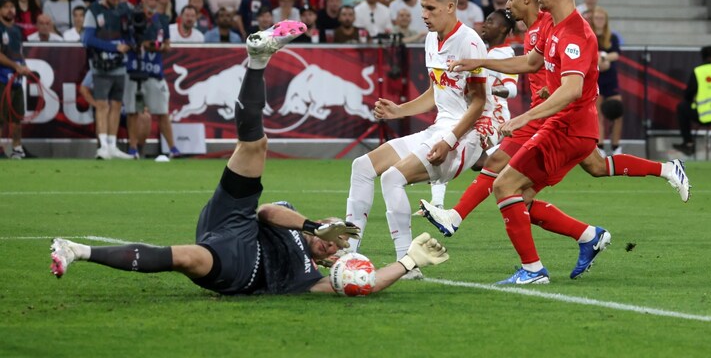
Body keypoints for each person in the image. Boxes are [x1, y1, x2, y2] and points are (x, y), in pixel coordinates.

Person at [50, 20, 451, 294]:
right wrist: (315, 226)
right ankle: (258, 60)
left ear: (333, 262)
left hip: (239, 266)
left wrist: (408, 262)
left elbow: (363, 286)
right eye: (336, 234)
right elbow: (265, 214)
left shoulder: (307, 278)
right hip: (234, 219)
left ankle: (77, 250)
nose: (333, 245)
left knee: (187, 257)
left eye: (338, 248)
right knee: (254, 145)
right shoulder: (295, 218)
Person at [421, 0, 692, 282]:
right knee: (585, 171)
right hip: (554, 116)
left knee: (503, 177)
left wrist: (534, 110)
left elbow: (573, 83)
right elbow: (536, 65)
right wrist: (482, 63)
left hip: (556, 119)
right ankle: (593, 230)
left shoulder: (560, 28)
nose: (511, 3)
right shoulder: (541, 32)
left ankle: (466, 224)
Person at [344, 0, 487, 280]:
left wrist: (449, 140)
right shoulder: (430, 39)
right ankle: (349, 253)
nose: (424, 13)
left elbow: (478, 103)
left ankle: (406, 264)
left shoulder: (469, 41)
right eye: (422, 7)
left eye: (430, 8)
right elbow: (436, 92)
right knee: (362, 167)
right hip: (439, 129)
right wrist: (398, 110)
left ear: (450, 7)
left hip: (464, 137)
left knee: (393, 177)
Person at [428, 8, 518, 208]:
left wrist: (486, 90)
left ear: (503, 28)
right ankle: (436, 204)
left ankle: (515, 155)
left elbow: (511, 89)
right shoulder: (484, 51)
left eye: (491, 21)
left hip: (493, 117)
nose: (485, 24)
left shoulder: (505, 54)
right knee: (444, 145)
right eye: (485, 20)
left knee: (478, 161)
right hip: (474, 112)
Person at [124, 0, 179, 160]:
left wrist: (158, 47)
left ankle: (173, 148)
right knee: (133, 111)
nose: (153, 2)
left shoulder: (162, 19)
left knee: (162, 111)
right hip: (134, 69)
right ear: (144, 0)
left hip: (155, 71)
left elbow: (168, 45)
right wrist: (145, 44)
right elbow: (128, 41)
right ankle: (133, 148)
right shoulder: (133, 18)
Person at [83, 0, 135, 160]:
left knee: (116, 104)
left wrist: (129, 43)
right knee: (102, 105)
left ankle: (112, 145)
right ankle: (102, 145)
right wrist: (114, 48)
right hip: (101, 65)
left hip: (119, 65)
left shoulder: (122, 10)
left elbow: (128, 33)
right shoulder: (94, 11)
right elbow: (87, 40)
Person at [0, 0, 33, 159]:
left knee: (17, 116)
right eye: (5, 6)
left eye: (11, 6)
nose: (9, 9)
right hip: (1, 78)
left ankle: (17, 149)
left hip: (16, 79)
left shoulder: (17, 30)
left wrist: (23, 66)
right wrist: (15, 66)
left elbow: (19, 53)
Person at [590, 6, 624, 155]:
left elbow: (616, 54)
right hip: (596, 79)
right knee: (598, 114)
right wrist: (599, 60)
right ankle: (601, 146)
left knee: (618, 112)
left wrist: (603, 57)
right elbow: (589, 56)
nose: (599, 21)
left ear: (606, 21)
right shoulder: (589, 35)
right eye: (596, 18)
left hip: (611, 79)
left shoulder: (612, 37)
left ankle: (616, 145)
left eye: (601, 18)